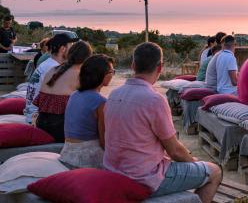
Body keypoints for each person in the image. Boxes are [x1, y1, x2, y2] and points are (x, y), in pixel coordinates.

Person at [103, 42, 221, 202]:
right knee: (214, 171)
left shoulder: (114, 94)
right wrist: (192, 162)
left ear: (133, 65)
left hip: (113, 172)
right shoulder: (154, 100)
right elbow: (175, 151)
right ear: (160, 67)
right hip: (143, 178)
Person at [59, 54, 115, 168]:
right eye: (111, 71)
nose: (113, 74)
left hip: (67, 153)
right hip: (86, 157)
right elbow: (104, 142)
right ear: (101, 75)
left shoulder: (74, 95)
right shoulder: (101, 102)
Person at [34, 41, 92, 142]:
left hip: (41, 123)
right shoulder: (80, 75)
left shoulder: (52, 70)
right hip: (59, 129)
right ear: (87, 58)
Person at [24, 33, 79, 124]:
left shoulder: (47, 64)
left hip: (32, 114)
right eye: (71, 47)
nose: (72, 51)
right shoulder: (54, 69)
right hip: (37, 119)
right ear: (62, 49)